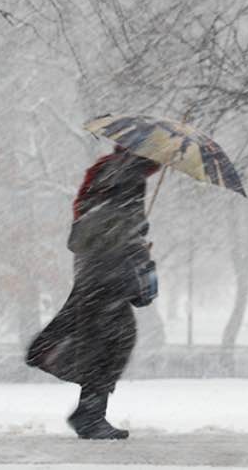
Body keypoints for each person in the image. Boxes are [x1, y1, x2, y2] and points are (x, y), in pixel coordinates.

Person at [26, 147, 161, 439]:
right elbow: (118, 222)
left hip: (94, 270)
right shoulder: (130, 175)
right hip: (108, 271)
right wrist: (136, 243)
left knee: (103, 341)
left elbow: (96, 221)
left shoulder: (109, 170)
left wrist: (134, 236)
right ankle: (88, 414)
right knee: (112, 342)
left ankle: (88, 412)